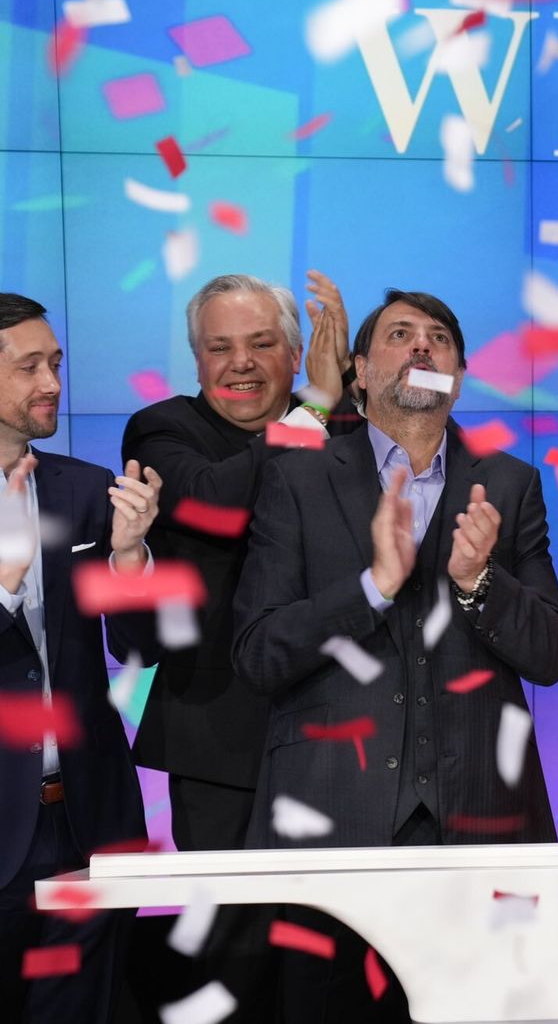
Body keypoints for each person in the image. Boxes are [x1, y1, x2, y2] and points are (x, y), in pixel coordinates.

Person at [233, 288, 558, 1020]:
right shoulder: (297, 476)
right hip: (330, 827)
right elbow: (259, 652)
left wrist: (481, 582)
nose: (423, 347)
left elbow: (552, 652)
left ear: (457, 373)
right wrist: (371, 588)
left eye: (439, 339)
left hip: (484, 826)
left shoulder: (509, 485)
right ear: (359, 371)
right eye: (399, 335)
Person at [119, 271, 355, 1023]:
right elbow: (216, 505)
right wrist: (313, 408)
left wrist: (336, 403)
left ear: (297, 354)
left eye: (261, 344)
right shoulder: (163, 430)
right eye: (219, 348)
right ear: (196, 361)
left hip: (340, 730)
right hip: (219, 738)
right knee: (236, 950)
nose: (241, 363)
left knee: (340, 946)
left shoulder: (349, 430)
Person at [0, 294, 162, 1023]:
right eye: (30, 365)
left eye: (56, 364)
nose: (53, 384)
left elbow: (142, 645)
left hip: (88, 821)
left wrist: (130, 558)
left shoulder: (85, 488)